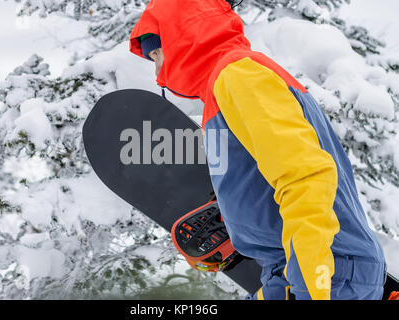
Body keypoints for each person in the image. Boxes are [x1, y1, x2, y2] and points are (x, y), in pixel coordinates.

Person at [129, 0, 386, 300]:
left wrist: (309, 285)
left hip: (325, 270)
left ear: (181, 38)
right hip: (295, 269)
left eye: (157, 55)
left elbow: (306, 177)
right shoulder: (227, 82)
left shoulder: (238, 75)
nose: (159, 71)